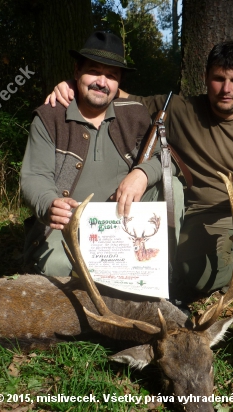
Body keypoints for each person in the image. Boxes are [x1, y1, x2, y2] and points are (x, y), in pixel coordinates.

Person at [46, 41, 233, 298]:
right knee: (195, 282)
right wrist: (72, 84)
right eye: (218, 79)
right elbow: (118, 95)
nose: (226, 88)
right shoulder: (179, 109)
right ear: (205, 78)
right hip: (205, 219)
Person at [22, 31, 181, 277]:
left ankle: (165, 279)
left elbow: (167, 157)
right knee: (54, 268)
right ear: (76, 73)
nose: (102, 82)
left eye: (111, 75)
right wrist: (49, 203)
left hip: (124, 225)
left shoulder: (135, 115)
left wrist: (142, 173)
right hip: (68, 227)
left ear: (119, 84)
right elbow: (34, 176)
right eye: (94, 72)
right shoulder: (49, 117)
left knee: (173, 187)